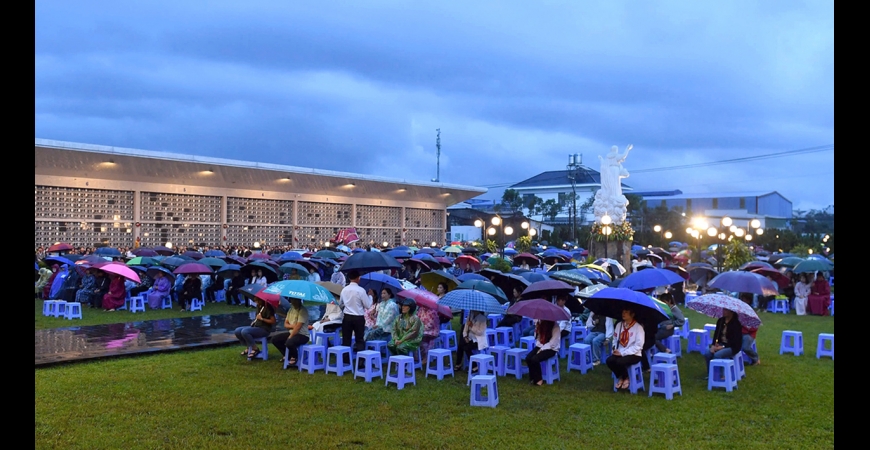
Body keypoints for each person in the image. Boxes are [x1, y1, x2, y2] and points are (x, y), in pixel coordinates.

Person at [606, 308, 645, 390]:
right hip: (620, 351)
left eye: (626, 312)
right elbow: (615, 339)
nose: (623, 314)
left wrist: (623, 353)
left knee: (620, 361)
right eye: (623, 312)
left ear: (632, 314)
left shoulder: (638, 327)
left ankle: (625, 378)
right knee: (609, 361)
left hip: (634, 354)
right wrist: (614, 349)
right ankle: (622, 376)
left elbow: (639, 346)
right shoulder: (619, 325)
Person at [339, 270, 372, 364]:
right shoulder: (361, 290)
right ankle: (361, 361)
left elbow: (341, 303)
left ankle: (345, 360)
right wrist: (370, 296)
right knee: (359, 339)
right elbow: (368, 305)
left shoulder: (344, 289)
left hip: (347, 317)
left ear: (349, 278)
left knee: (346, 339)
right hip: (358, 317)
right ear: (358, 278)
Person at [703, 308, 743, 378]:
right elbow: (716, 335)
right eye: (723, 310)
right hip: (721, 344)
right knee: (707, 352)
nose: (723, 312)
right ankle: (710, 374)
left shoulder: (736, 324)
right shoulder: (721, 321)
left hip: (732, 346)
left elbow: (735, 341)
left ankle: (720, 375)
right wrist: (714, 345)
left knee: (717, 355)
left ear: (731, 312)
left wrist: (722, 347)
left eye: (726, 310)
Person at [271, 297, 309, 367]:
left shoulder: (302, 310)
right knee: (275, 339)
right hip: (292, 332)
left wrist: (290, 337)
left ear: (299, 300)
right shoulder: (291, 310)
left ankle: (294, 357)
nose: (293, 302)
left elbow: (298, 327)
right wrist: (292, 326)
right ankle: (287, 355)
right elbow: (286, 324)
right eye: (292, 300)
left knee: (289, 342)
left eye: (295, 300)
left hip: (302, 335)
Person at [526, 319, 561, 386]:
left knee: (535, 359)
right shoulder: (541, 324)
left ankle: (539, 379)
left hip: (552, 349)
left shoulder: (555, 326)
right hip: (541, 345)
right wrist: (537, 329)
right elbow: (538, 339)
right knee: (528, 358)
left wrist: (542, 349)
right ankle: (532, 377)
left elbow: (553, 343)